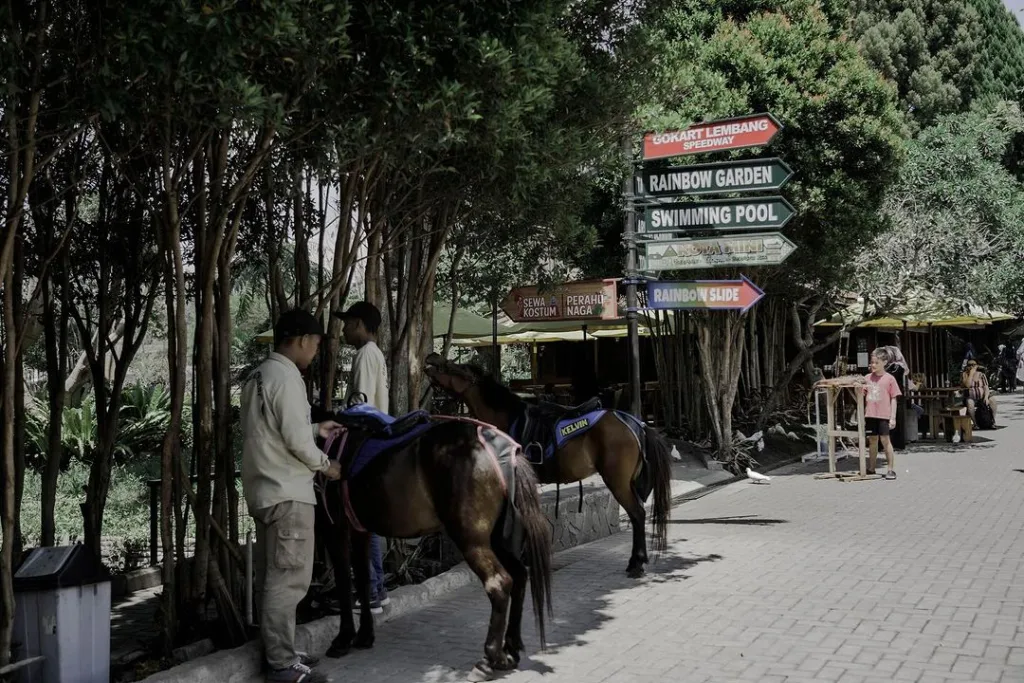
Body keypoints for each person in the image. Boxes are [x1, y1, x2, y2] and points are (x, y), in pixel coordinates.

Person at [241, 309, 342, 683]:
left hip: (264, 490)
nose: (315, 352)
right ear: (301, 340)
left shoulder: (257, 376)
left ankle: (282, 653)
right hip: (289, 493)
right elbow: (297, 441)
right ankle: (282, 665)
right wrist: (326, 464)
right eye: (315, 345)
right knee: (288, 581)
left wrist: (316, 426)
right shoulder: (287, 377)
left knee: (274, 575)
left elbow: (274, 429)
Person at [336, 300, 390, 614]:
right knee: (364, 523)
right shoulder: (373, 354)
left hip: (364, 442)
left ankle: (371, 589)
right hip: (373, 440)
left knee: (358, 520)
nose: (343, 330)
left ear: (358, 324)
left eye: (346, 323)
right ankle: (376, 588)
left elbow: (361, 405)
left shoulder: (365, 354)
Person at [863, 349, 901, 480]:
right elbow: (861, 394)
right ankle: (871, 468)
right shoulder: (867, 378)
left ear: (884, 362)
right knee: (872, 440)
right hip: (870, 414)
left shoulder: (890, 379)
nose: (873, 365)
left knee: (885, 440)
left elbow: (894, 398)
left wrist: (893, 417)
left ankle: (890, 469)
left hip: (884, 415)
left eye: (876, 362)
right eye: (872, 362)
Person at [962, 359, 992, 424]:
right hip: (970, 397)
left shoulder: (981, 374)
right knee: (970, 403)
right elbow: (967, 385)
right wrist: (971, 374)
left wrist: (986, 397)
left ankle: (992, 421)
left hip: (982, 397)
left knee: (993, 401)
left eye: (973, 365)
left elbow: (986, 388)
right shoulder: (964, 375)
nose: (971, 366)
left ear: (977, 366)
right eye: (969, 365)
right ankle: (975, 423)